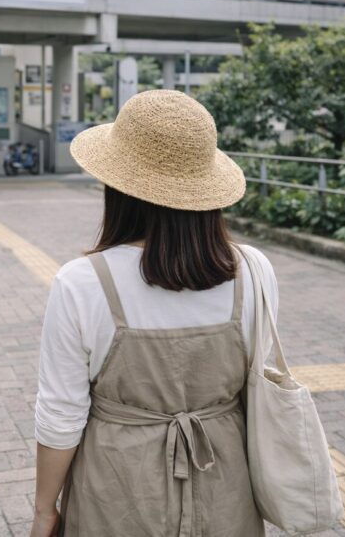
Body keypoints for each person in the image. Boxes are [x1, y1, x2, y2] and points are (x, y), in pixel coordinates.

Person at [31, 90, 278, 537]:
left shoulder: (82, 281)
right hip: (226, 485)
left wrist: (44, 510)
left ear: (119, 187)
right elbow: (262, 381)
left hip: (114, 491)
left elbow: (61, 415)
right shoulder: (253, 271)